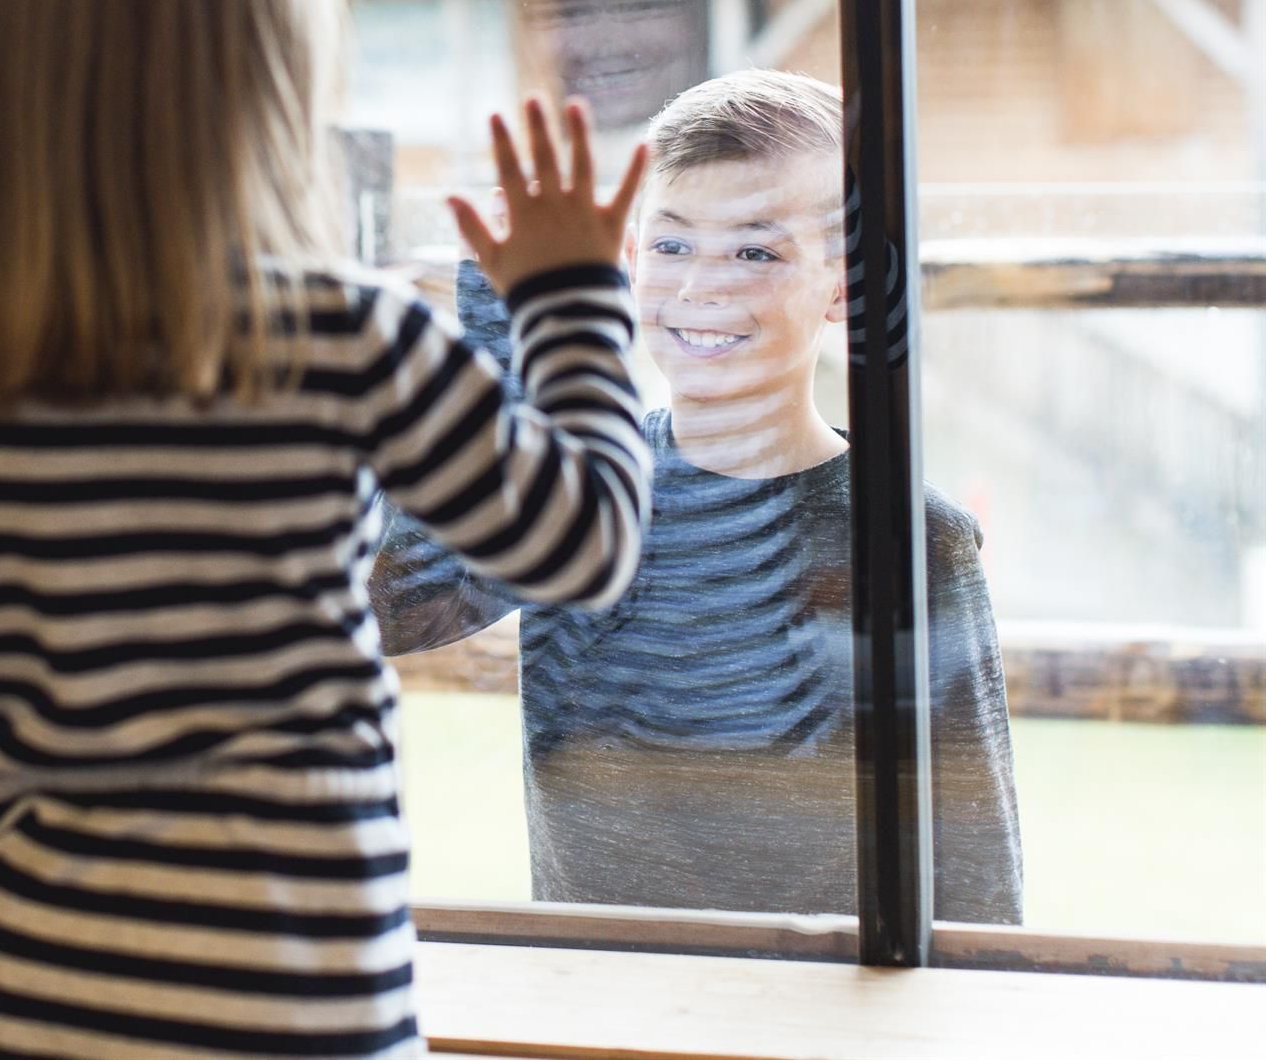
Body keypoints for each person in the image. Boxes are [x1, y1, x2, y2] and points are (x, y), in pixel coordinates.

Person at [0, 0, 651, 1059]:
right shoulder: (342, 341)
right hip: (297, 1014)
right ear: (265, 45)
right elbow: (583, 545)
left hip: (2, 1004)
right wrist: (570, 298)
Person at [373, 70, 1023, 924]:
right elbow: (395, 610)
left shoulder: (913, 535)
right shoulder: (575, 491)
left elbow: (977, 871)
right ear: (630, 260)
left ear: (842, 285)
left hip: (823, 1003)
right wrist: (515, 331)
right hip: (598, 995)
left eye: (756, 252)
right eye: (673, 244)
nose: (699, 287)